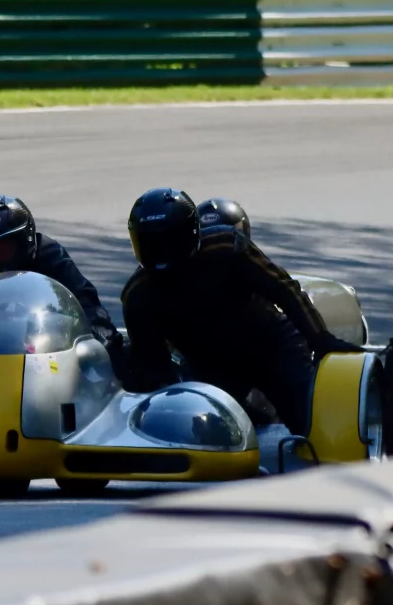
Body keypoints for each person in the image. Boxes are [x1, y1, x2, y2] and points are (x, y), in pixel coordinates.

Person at [119, 187, 359, 436]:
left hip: (272, 348)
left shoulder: (228, 247)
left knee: (311, 422)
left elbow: (284, 290)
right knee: (202, 434)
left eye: (168, 241)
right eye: (151, 244)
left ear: (190, 233)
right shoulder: (137, 297)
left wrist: (320, 339)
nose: (161, 253)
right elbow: (154, 367)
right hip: (209, 369)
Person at [0, 195, 125, 364]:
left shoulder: (50, 256)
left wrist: (101, 344)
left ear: (24, 240)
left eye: (1, 249)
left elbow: (87, 304)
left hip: (47, 352)